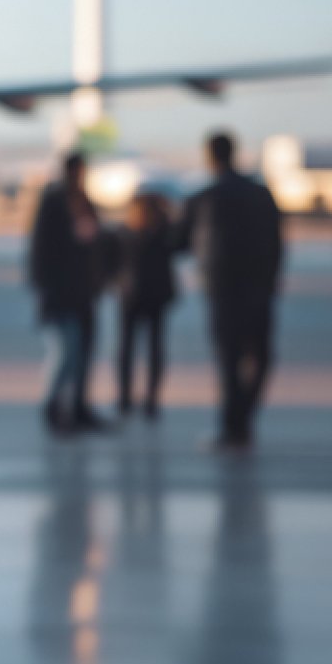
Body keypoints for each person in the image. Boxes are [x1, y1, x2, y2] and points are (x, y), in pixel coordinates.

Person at [176, 131, 285, 452]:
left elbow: (177, 242)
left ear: (210, 157)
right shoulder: (261, 194)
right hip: (258, 290)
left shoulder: (204, 198)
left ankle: (233, 425)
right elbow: (278, 245)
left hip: (222, 292)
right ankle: (241, 421)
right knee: (260, 359)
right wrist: (271, 281)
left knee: (229, 362)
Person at [28, 152, 108, 434]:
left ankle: (78, 408)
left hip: (84, 292)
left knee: (83, 353)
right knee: (66, 352)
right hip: (60, 292)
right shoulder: (54, 201)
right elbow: (40, 248)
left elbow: (96, 244)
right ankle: (54, 408)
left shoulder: (84, 201)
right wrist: (42, 287)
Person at [114, 191, 177, 420]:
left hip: (143, 296)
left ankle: (139, 399)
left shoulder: (155, 233)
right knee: (137, 349)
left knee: (141, 350)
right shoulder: (134, 233)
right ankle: (135, 399)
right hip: (138, 296)